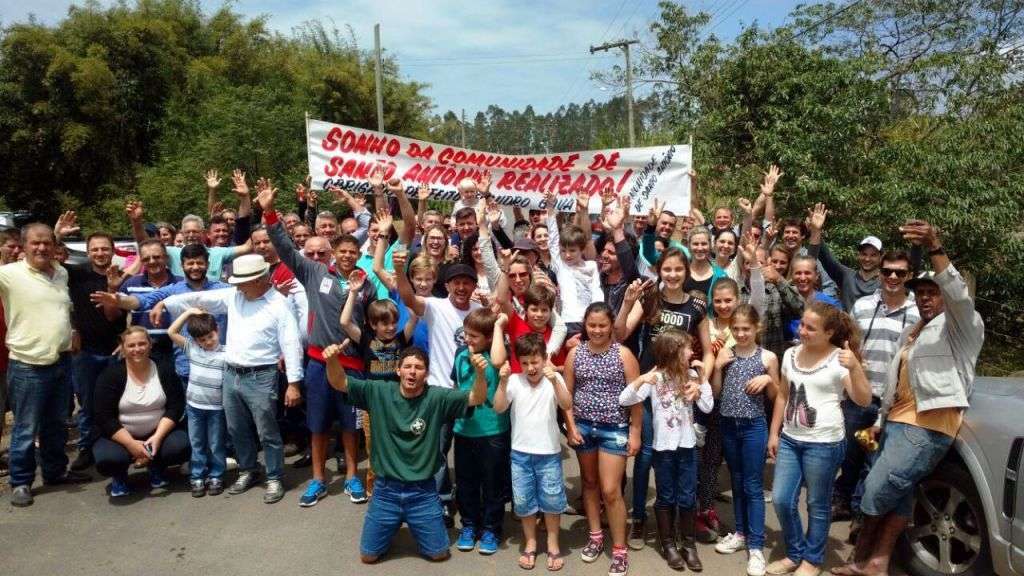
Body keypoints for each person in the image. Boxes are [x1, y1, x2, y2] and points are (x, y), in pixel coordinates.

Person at [832, 220, 983, 576]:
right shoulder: (915, 332)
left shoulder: (962, 326)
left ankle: (859, 559)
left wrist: (934, 244)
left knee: (874, 489)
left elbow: (958, 294)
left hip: (928, 424)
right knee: (900, 494)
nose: (926, 297)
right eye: (922, 293)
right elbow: (895, 383)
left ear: (945, 297)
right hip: (897, 421)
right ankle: (877, 564)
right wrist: (881, 421)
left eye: (933, 292)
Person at [259, 185, 374, 506]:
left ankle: (351, 477)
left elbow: (373, 325)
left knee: (350, 426)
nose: (348, 255)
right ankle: (318, 479)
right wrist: (269, 213)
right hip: (319, 364)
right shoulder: (315, 272)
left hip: (352, 366)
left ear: (358, 255)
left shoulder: (366, 285)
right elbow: (285, 248)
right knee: (318, 425)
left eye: (353, 252)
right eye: (343, 251)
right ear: (334, 252)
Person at [323, 345, 489, 564]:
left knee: (439, 554)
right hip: (386, 491)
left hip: (422, 492)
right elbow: (340, 382)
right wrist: (332, 360)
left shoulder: (437, 397)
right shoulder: (378, 391)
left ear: (426, 373)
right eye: (407, 366)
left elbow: (476, 398)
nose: (412, 372)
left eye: (418, 368)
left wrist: (480, 373)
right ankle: (389, 524)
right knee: (368, 556)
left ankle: (412, 521)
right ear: (398, 370)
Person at [162, 253, 305, 504]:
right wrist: (164, 303)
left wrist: (293, 384)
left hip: (262, 375)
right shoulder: (235, 296)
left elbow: (292, 344)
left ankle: (274, 476)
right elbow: (199, 298)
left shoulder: (280, 304)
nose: (237, 286)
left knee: (267, 431)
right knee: (236, 428)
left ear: (259, 279)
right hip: (231, 374)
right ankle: (249, 469)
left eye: (242, 282)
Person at [767, 302, 871, 576]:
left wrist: (855, 367)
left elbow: (863, 399)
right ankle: (794, 553)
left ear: (829, 332)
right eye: (802, 324)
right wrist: (774, 432)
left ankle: (812, 560)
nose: (802, 331)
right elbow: (783, 395)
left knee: (817, 503)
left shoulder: (840, 359)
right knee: (781, 499)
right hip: (790, 439)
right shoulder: (790, 354)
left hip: (824, 443)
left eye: (810, 328)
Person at [2, 223, 91, 506]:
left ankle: (55, 472)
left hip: (61, 361)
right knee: (26, 428)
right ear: (24, 246)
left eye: (47, 243)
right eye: (35, 243)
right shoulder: (9, 274)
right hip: (28, 365)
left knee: (56, 424)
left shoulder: (60, 272)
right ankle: (21, 481)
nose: (41, 247)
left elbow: (62, 308)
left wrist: (72, 330)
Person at [832, 250, 919, 525]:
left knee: (876, 459)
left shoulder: (917, 313)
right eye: (887, 271)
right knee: (851, 453)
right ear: (880, 273)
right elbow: (848, 343)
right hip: (860, 395)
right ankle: (842, 501)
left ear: (909, 276)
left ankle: (861, 513)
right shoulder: (862, 306)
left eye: (900, 272)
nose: (892, 276)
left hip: (893, 401)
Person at [619, 329, 714, 572]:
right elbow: (624, 399)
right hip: (662, 449)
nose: (691, 352)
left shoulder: (692, 375)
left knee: (687, 496)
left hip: (687, 447)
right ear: (673, 352)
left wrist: (702, 383)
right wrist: (641, 379)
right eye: (687, 348)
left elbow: (707, 406)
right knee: (666, 496)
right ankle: (668, 544)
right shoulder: (656, 378)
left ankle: (689, 546)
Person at [564, 302, 641, 576]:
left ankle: (619, 549)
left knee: (610, 490)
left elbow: (636, 397)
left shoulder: (624, 354)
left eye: (602, 325)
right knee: (589, 483)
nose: (596, 330)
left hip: (614, 429)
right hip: (583, 428)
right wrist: (570, 426)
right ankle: (595, 536)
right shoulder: (575, 353)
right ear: (585, 325)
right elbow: (566, 395)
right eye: (592, 325)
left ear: (611, 326)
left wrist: (635, 432)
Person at [492, 334, 573, 571]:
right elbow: (498, 407)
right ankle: (530, 542)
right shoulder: (514, 381)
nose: (531, 367)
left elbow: (567, 404)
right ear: (518, 362)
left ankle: (553, 544)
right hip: (520, 453)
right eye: (525, 362)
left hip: (549, 452)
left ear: (545, 358)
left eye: (535, 361)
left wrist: (555, 381)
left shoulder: (554, 378)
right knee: (524, 501)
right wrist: (502, 382)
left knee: (552, 500)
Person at [711, 305, 779, 576]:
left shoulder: (768, 357)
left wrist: (768, 379)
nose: (741, 334)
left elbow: (776, 396)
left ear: (756, 328)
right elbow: (716, 393)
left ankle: (756, 546)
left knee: (752, 485)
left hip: (754, 426)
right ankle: (740, 533)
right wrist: (717, 367)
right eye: (736, 329)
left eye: (746, 329)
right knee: (737, 482)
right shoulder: (726, 354)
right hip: (728, 425)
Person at [58, 227, 127, 472]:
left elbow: (116, 318)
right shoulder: (76, 274)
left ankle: (115, 446)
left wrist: (112, 289)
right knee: (87, 405)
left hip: (114, 350)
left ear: (113, 251)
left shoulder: (121, 278)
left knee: (115, 403)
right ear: (87, 252)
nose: (100, 253)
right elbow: (50, 256)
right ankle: (87, 449)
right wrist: (58, 235)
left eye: (104, 249)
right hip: (85, 351)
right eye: (95, 249)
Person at [92, 326, 190, 498]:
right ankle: (119, 476)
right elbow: (104, 416)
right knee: (109, 459)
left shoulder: (164, 369)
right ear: (123, 348)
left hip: (157, 432)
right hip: (121, 435)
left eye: (142, 344)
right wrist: (131, 444)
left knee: (180, 447)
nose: (137, 349)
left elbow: (175, 407)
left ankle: (156, 465)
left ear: (150, 345)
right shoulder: (110, 375)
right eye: (131, 345)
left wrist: (158, 437)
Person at [452, 309, 509, 555]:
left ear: (489, 338)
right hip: (464, 429)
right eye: (466, 333)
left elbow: (496, 361)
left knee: (493, 483)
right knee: (466, 482)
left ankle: (491, 528)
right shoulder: (460, 354)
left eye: (474, 336)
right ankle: (469, 525)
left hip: (492, 430)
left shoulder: (497, 354)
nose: (467, 339)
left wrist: (498, 326)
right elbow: (456, 384)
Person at [167, 308, 228, 498]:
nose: (208, 342)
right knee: (197, 442)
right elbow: (171, 332)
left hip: (217, 408)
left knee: (216, 443)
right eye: (202, 339)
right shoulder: (192, 349)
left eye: (210, 336)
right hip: (194, 407)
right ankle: (197, 476)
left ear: (217, 330)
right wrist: (188, 313)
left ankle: (216, 475)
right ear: (195, 340)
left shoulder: (227, 353)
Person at [544, 190, 604, 335]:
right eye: (563, 251)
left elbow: (597, 292)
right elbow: (553, 240)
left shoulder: (591, 266)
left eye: (572, 250)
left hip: (591, 322)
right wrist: (550, 208)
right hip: (568, 322)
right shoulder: (561, 266)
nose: (567, 255)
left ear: (582, 249)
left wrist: (597, 316)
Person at [805, 203, 882, 311]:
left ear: (881, 257)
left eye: (873, 255)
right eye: (864, 254)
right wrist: (815, 231)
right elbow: (825, 257)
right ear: (858, 255)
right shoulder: (847, 276)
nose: (867, 259)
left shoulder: (886, 281)